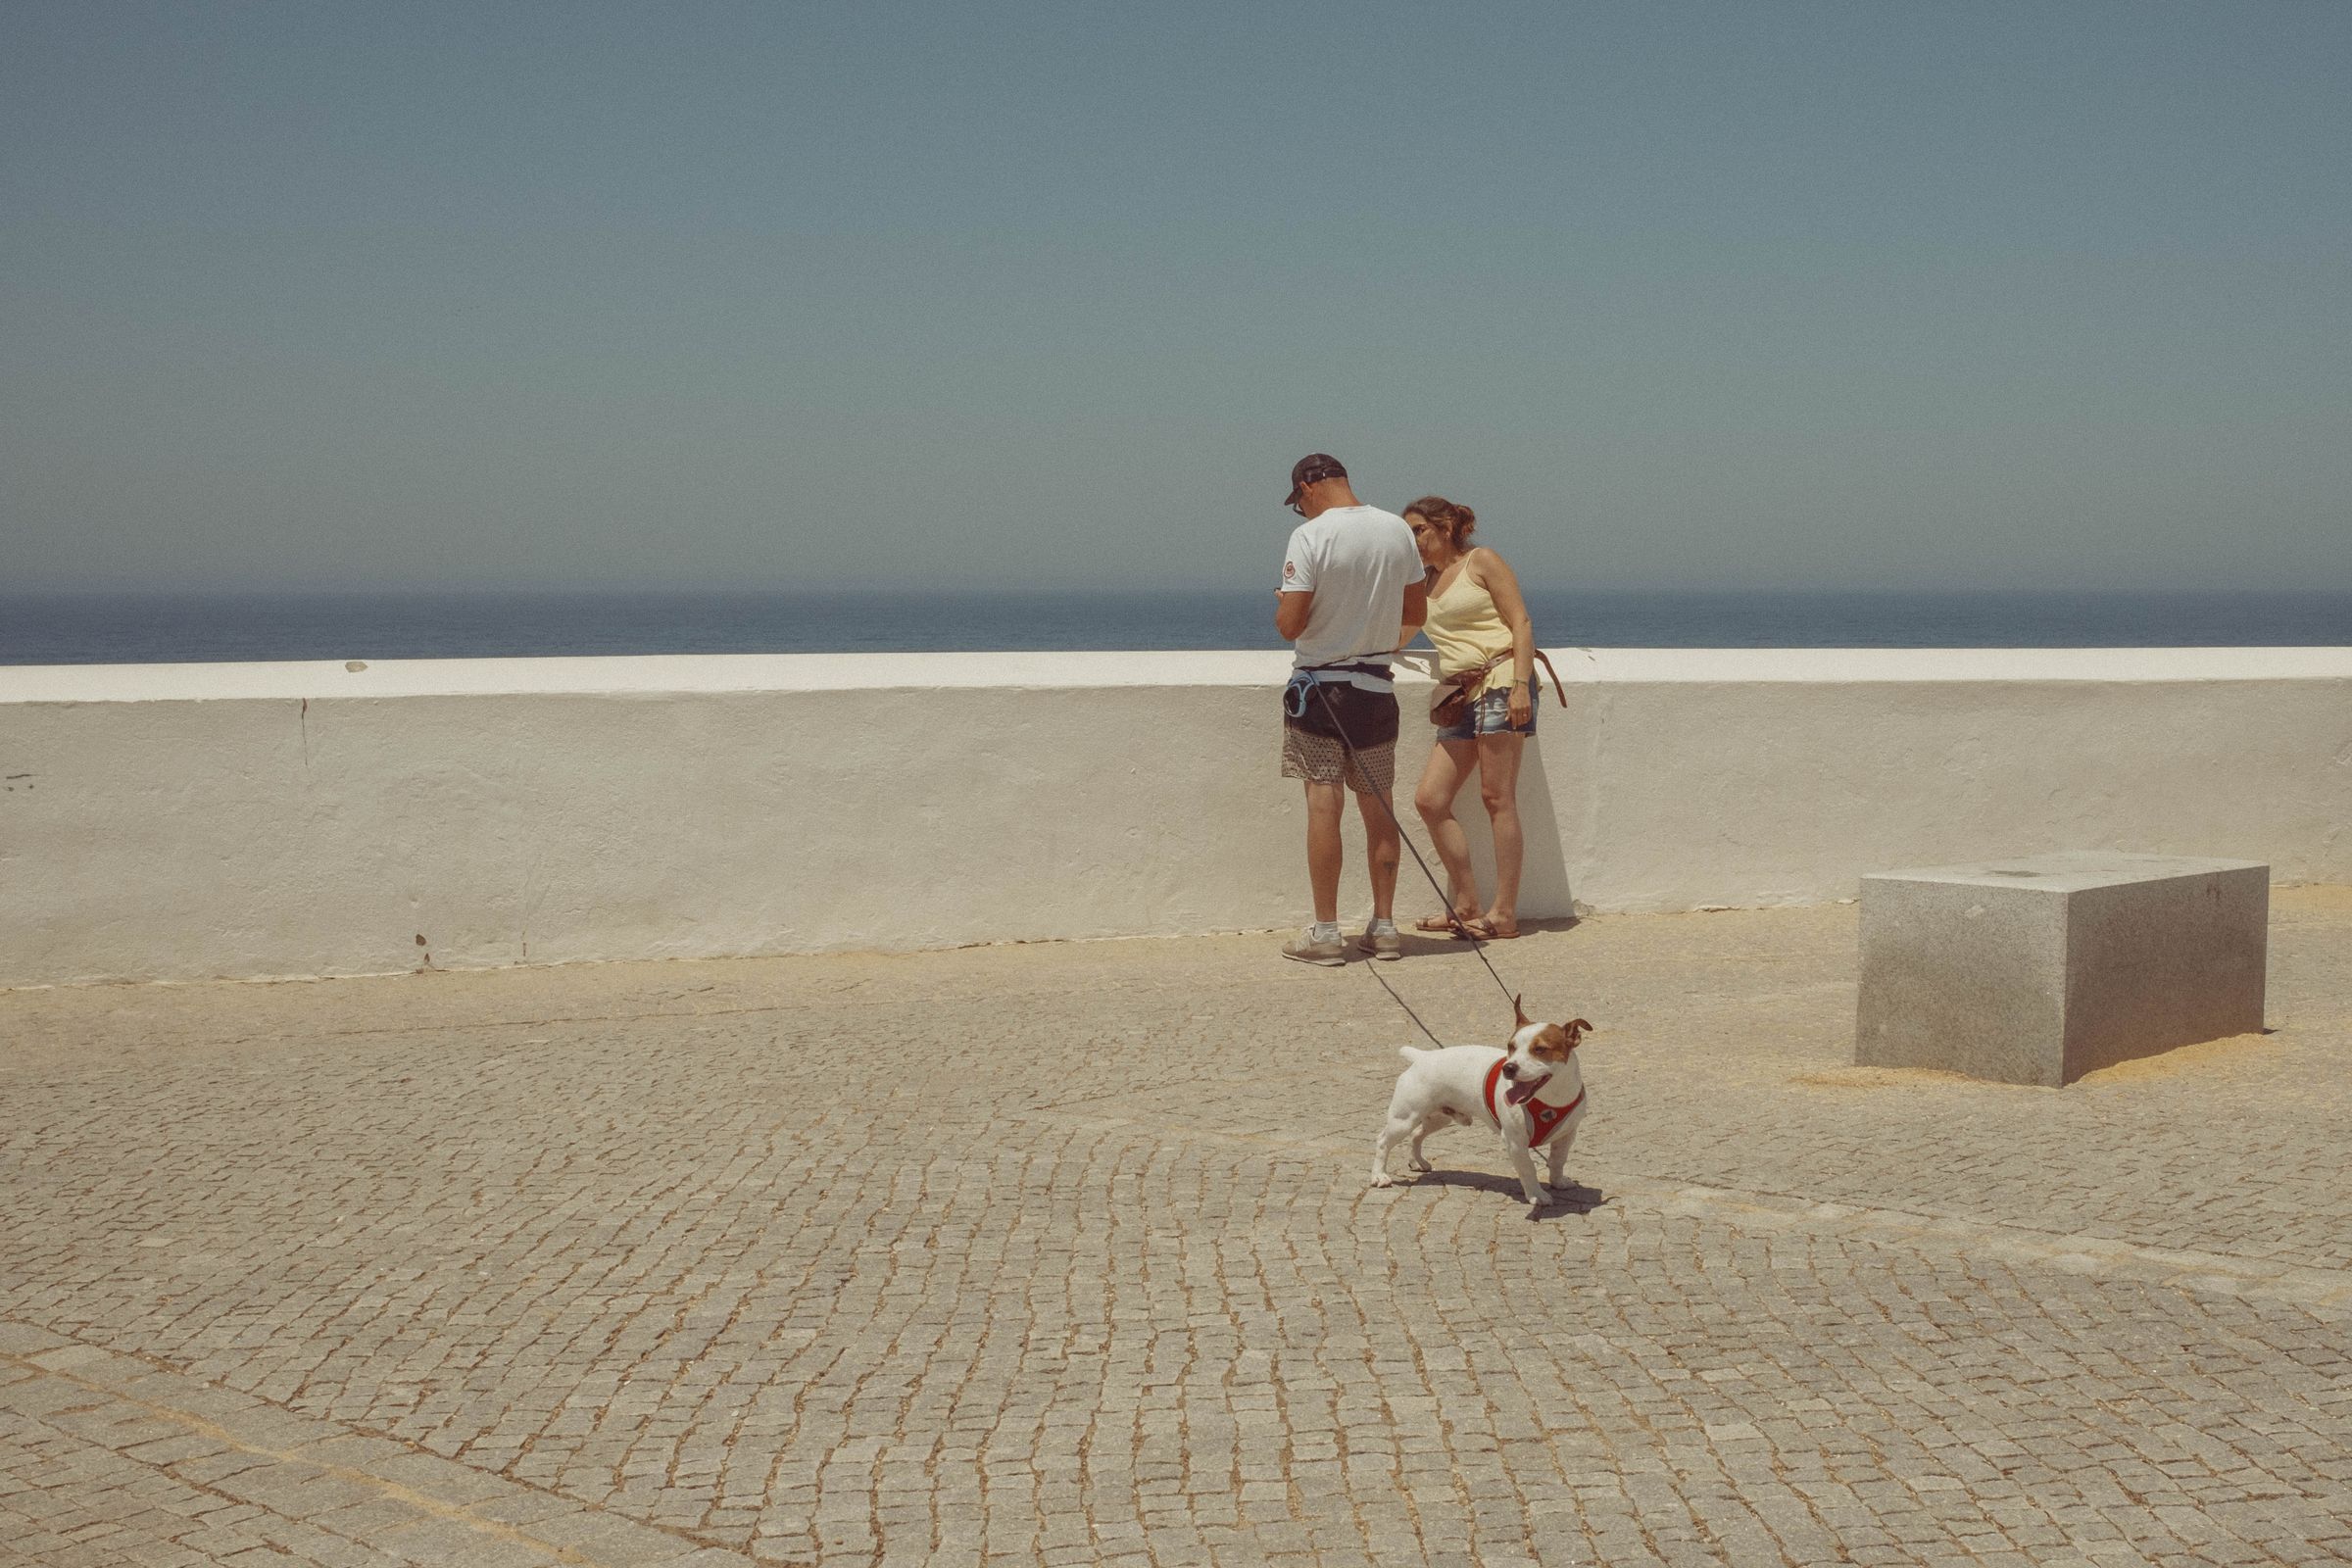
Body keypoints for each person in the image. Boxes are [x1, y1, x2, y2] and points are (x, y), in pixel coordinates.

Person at [1274, 454, 1427, 966]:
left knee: (1324, 808)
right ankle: (1384, 928)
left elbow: (1290, 625)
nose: (1301, 511)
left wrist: (1285, 601)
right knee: (1380, 809)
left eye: (1298, 502)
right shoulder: (1396, 531)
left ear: (1306, 487)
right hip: (1376, 690)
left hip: (1320, 691)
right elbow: (1416, 613)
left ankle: (1326, 934)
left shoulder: (1311, 536)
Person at [1404, 494, 1557, 941]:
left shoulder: (1481, 561)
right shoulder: (1424, 582)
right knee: (1430, 800)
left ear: (1445, 527)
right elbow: (1398, 632)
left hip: (1500, 680)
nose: (1413, 540)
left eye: (1419, 530)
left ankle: (1504, 913)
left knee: (1497, 798)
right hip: (1459, 692)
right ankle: (1467, 904)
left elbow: (1521, 622)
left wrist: (1519, 686)